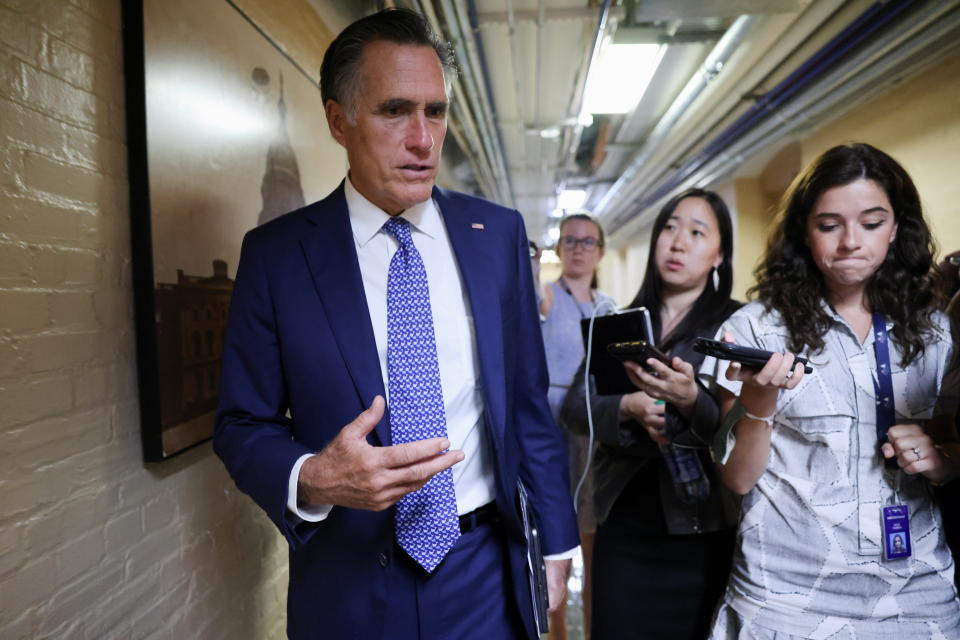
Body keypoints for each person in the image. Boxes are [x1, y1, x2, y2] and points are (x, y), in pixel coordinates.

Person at [213, 9, 578, 640]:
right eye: (394, 111)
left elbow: (525, 405)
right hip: (350, 581)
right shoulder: (277, 257)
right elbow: (243, 424)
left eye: (435, 111)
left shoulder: (495, 237)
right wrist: (312, 478)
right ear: (339, 121)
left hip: (482, 572)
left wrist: (556, 547)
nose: (423, 139)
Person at [704, 143, 960, 639]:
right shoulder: (757, 329)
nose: (850, 242)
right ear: (804, 230)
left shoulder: (936, 330)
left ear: (896, 227)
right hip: (785, 598)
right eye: (829, 225)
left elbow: (952, 443)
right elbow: (735, 477)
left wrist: (944, 460)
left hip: (917, 596)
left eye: (870, 222)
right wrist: (759, 399)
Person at [561, 189, 741, 640]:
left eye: (697, 233)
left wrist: (688, 399)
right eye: (670, 228)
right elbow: (573, 408)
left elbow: (741, 433)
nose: (678, 243)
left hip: (700, 524)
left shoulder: (736, 326)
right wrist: (628, 406)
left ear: (719, 255)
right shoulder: (620, 323)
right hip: (623, 519)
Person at [539, 212, 615, 639]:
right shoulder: (548, 296)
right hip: (554, 429)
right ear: (560, 249)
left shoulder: (608, 307)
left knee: (592, 535)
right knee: (557, 534)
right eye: (570, 241)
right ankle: (557, 631)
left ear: (600, 251)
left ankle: (590, 629)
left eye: (588, 241)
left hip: (593, 431)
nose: (579, 248)